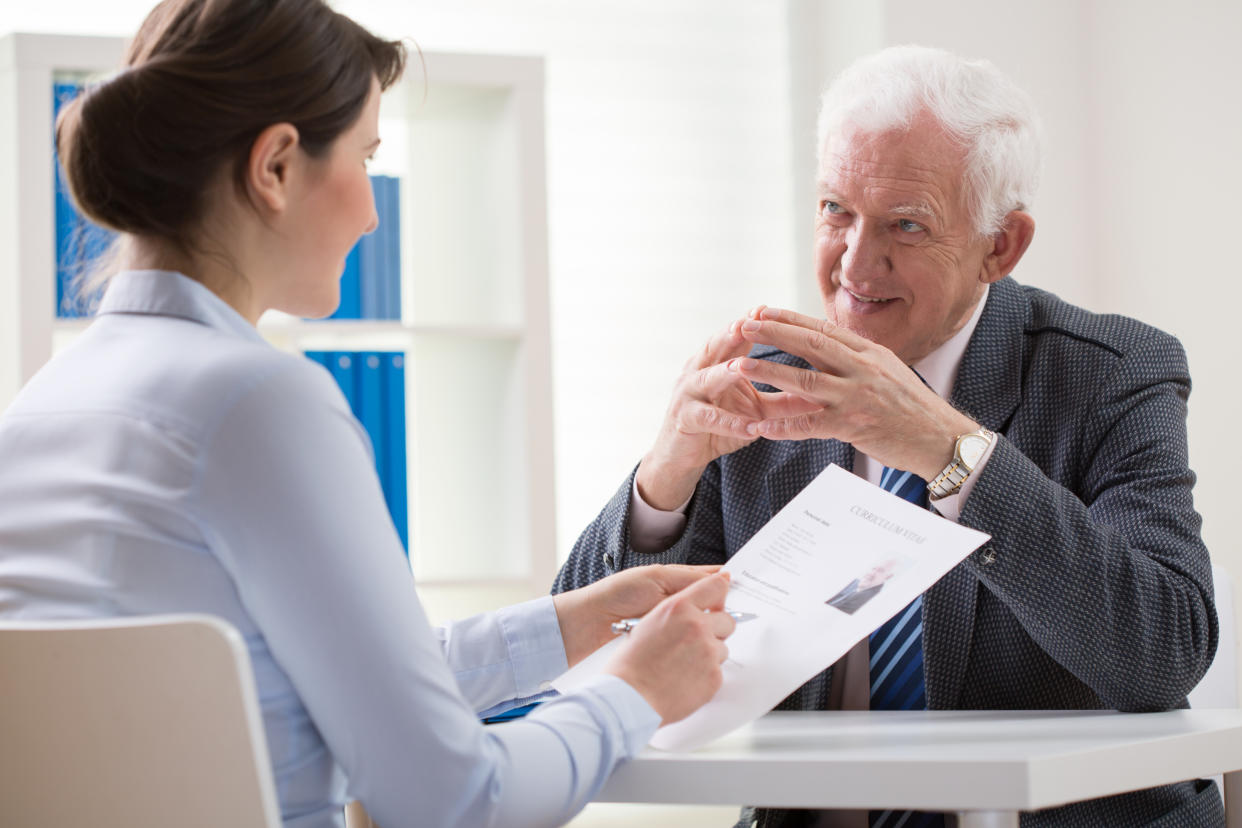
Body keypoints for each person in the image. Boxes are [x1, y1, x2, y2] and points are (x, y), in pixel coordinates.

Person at [0, 1, 739, 826]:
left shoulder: (41, 407)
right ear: (275, 166)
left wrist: (575, 625)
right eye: (366, 156)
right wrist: (635, 692)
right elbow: (452, 800)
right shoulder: (256, 403)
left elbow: (315, 682)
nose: (372, 213)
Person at [553, 45, 1221, 827]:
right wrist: (661, 481)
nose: (855, 264)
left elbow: (1163, 652)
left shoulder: (1110, 373)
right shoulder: (769, 378)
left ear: (1000, 246)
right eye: (836, 210)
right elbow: (579, 665)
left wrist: (952, 455)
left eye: (906, 225)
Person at [825, 560, 898, 615]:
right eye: (873, 568)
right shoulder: (853, 582)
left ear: (888, 577)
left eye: (880, 571)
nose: (871, 573)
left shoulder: (875, 599)